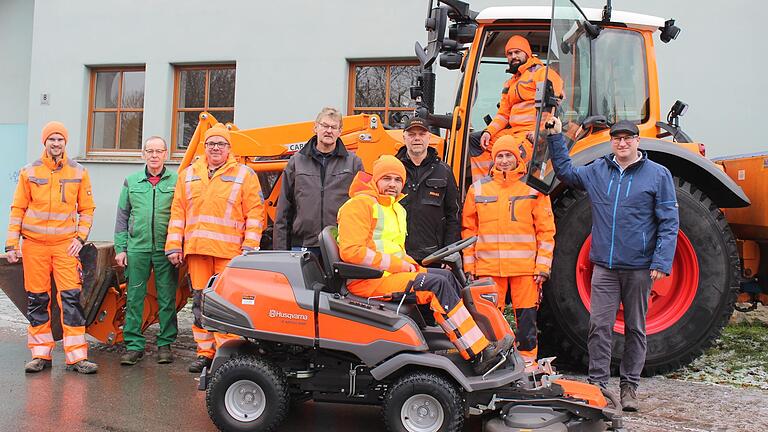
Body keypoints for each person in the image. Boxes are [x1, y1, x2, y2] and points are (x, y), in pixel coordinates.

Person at [547, 117, 679, 411]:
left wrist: (661, 260)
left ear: (637, 141)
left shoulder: (658, 175)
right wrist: (556, 137)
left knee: (635, 328)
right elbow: (566, 172)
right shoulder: (598, 170)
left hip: (639, 268)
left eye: (627, 138)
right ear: (611, 142)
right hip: (604, 267)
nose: (622, 142)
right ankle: (598, 385)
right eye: (617, 138)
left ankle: (629, 386)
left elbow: (669, 222)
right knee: (599, 326)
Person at [337, 155, 512, 374]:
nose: (392, 184)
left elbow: (392, 248)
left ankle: (478, 338)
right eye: (386, 179)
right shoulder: (359, 205)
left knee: (446, 277)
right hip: (367, 281)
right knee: (435, 286)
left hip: (386, 275)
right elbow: (352, 252)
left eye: (397, 180)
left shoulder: (395, 208)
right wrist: (399, 266)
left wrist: (409, 264)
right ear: (376, 180)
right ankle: (478, 354)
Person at [165, 123, 266, 373]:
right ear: (205, 147)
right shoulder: (188, 174)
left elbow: (255, 213)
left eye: (221, 144)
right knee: (200, 301)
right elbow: (178, 212)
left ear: (229, 148)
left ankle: (228, 353)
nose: (216, 148)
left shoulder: (244, 174)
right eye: (211, 144)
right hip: (197, 251)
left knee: (226, 303)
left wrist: (250, 246)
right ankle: (205, 353)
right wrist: (173, 245)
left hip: (229, 253)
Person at [5, 121, 98, 374]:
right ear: (44, 142)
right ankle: (40, 355)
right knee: (37, 299)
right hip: (34, 246)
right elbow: (18, 210)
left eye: (60, 139)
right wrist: (12, 243)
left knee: (70, 300)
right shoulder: (29, 172)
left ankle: (77, 357)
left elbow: (87, 209)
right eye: (51, 139)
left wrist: (79, 239)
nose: (56, 143)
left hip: (65, 247)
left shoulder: (78, 172)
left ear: (65, 143)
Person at [462, 135, 555, 364]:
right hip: (489, 267)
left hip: (525, 270)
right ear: (494, 159)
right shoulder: (478, 189)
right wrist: (470, 266)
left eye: (508, 156)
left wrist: (542, 266)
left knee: (526, 319)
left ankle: (527, 364)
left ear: (517, 158)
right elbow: (469, 231)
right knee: (489, 318)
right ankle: (493, 363)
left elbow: (546, 231)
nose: (504, 161)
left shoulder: (535, 189)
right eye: (500, 156)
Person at [114, 136, 178, 365]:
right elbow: (122, 217)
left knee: (167, 297)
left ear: (165, 154)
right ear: (143, 154)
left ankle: (165, 344)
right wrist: (121, 249)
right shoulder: (131, 181)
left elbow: (182, 215)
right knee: (134, 297)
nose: (154, 155)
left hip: (166, 249)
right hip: (137, 248)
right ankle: (134, 345)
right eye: (149, 151)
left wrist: (177, 245)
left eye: (158, 151)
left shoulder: (176, 180)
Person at [470, 35, 563, 182]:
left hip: (530, 135)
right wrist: (488, 132)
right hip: (512, 133)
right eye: (509, 53)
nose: (513, 56)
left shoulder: (543, 73)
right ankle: (482, 190)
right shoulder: (510, 84)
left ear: (527, 53)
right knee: (475, 142)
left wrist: (539, 132)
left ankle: (503, 194)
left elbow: (551, 106)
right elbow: (503, 115)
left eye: (517, 52)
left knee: (507, 157)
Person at [273, 107, 363, 256]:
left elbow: (361, 208)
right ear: (315, 127)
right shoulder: (296, 162)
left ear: (340, 131)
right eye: (324, 125)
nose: (329, 131)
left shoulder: (353, 164)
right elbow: (283, 210)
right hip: (303, 245)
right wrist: (280, 253)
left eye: (334, 127)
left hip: (340, 245)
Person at [395, 117, 461, 265]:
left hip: (434, 256)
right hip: (399, 255)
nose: (417, 138)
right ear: (404, 137)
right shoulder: (393, 169)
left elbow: (454, 215)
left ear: (429, 137)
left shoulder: (444, 171)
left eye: (422, 134)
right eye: (412, 134)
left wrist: (449, 252)